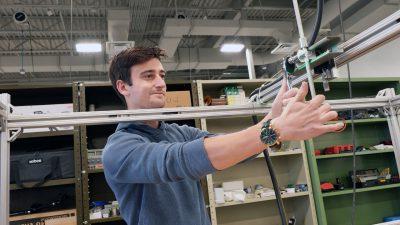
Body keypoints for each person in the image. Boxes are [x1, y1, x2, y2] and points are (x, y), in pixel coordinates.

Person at [102, 47, 344, 225]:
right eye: (148, 76)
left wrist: (274, 113)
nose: (161, 83)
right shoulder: (120, 149)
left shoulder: (178, 132)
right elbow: (178, 160)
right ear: (123, 87)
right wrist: (275, 129)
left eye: (162, 75)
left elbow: (239, 151)